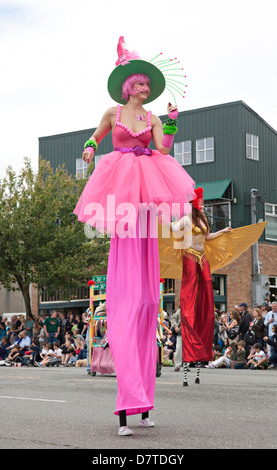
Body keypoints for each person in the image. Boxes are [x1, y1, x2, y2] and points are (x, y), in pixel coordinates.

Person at [73, 37, 196, 436]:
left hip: (146, 191)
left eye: (147, 85)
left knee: (147, 302)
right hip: (121, 189)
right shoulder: (113, 112)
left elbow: (162, 150)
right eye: (141, 84)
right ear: (129, 87)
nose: (145, 89)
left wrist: (173, 122)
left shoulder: (154, 118)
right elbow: (95, 137)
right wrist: (90, 149)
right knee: (128, 300)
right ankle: (127, 406)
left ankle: (144, 406)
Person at [168, 187, 232, 385]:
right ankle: (188, 313)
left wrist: (223, 231)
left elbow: (207, 238)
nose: (203, 205)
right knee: (190, 290)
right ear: (195, 204)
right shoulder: (187, 219)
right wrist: (166, 222)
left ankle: (204, 316)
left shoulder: (203, 220)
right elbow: (172, 229)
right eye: (202, 203)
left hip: (202, 256)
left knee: (206, 285)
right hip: (189, 256)